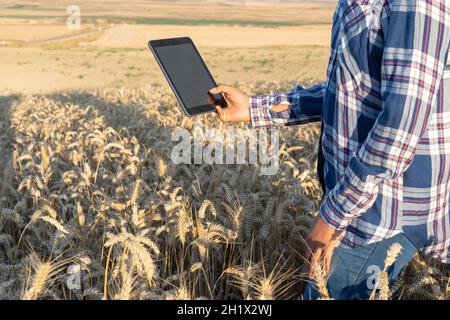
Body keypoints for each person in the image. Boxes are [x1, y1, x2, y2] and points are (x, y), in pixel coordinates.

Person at [210, 0, 450, 300]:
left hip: (382, 211)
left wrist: (334, 215)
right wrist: (256, 108)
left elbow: (400, 125)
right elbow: (351, 89)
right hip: (359, 202)